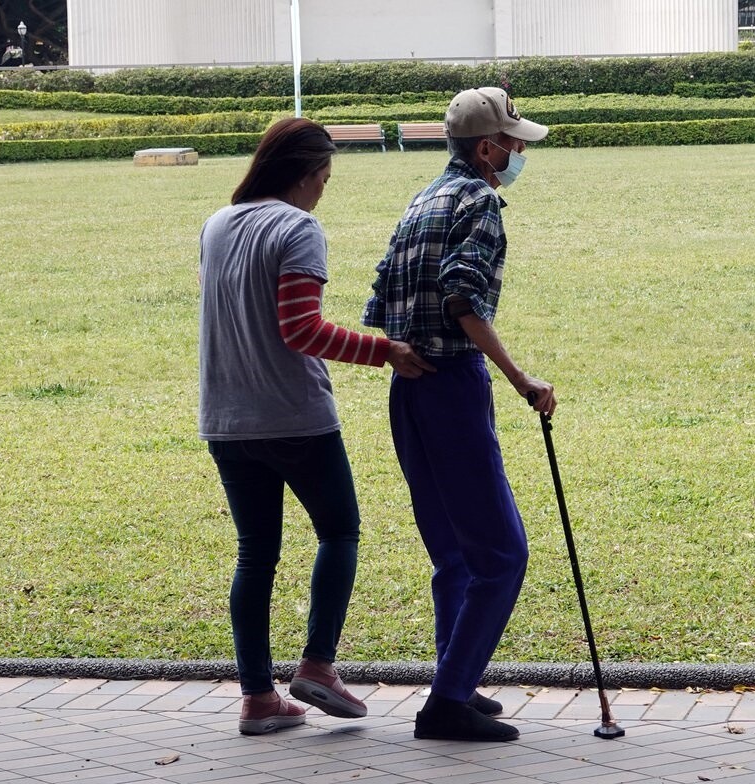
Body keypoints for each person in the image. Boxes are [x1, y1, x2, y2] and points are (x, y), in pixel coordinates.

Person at [199, 117, 435, 736]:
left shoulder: (218, 223)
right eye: (324, 178)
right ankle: (319, 665)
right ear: (305, 174)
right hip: (294, 416)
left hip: (226, 418)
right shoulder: (298, 228)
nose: (323, 190)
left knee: (256, 554)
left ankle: (257, 700)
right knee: (340, 532)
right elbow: (300, 330)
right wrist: (385, 350)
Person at [362, 87, 556, 743]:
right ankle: (445, 704)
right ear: (485, 148)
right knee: (501, 554)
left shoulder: (420, 201)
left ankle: (458, 678)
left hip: (408, 386)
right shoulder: (478, 203)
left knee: (454, 555)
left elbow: (381, 294)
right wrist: (521, 379)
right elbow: (461, 296)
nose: (520, 151)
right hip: (451, 385)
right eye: (514, 142)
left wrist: (397, 353)